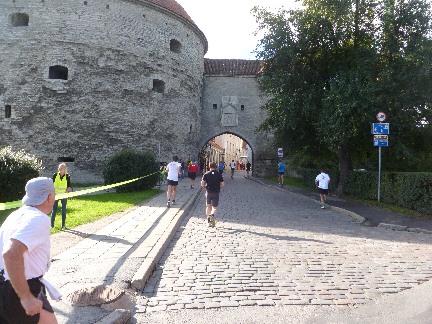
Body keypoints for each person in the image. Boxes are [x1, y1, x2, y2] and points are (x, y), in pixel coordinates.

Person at [0, 177, 58, 323]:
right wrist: (25, 297)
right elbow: (10, 254)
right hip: (20, 288)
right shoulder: (39, 218)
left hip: (7, 286)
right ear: (50, 196)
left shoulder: (15, 215)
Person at [201, 162, 224, 227]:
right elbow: (222, 184)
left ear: (209, 166)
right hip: (216, 192)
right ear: (215, 166)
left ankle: (208, 220)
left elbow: (202, 183)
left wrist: (204, 187)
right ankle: (212, 215)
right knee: (215, 207)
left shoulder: (206, 174)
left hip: (208, 192)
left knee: (208, 206)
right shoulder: (219, 174)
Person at [51, 163, 71, 230]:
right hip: (56, 195)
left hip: (63, 195)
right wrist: (52, 193)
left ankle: (63, 225)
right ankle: (52, 225)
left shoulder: (67, 176)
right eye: (59, 168)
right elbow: (51, 185)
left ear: (65, 169)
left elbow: (69, 186)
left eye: (61, 168)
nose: (60, 169)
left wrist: (67, 191)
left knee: (64, 210)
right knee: (54, 210)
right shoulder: (55, 175)